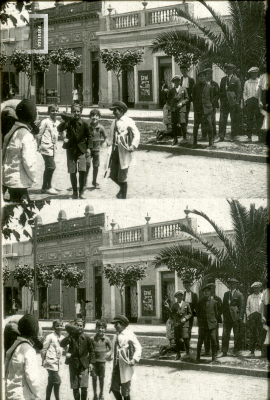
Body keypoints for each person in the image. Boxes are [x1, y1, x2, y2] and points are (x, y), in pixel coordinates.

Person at [2, 99, 37, 202]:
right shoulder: (27, 135)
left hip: (8, 180)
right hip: (20, 183)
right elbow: (29, 162)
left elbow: (3, 155)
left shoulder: (11, 131)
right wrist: (33, 178)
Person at [58, 104, 92, 199]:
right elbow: (59, 129)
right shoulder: (69, 122)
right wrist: (66, 120)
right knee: (72, 171)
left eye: (78, 111)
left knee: (82, 170)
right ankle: (74, 192)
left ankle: (81, 192)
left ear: (80, 112)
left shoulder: (84, 123)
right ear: (72, 112)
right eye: (74, 111)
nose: (76, 113)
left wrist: (89, 148)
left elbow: (89, 136)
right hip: (71, 149)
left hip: (81, 149)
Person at [108, 101, 140, 199]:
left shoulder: (128, 121)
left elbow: (137, 133)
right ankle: (122, 190)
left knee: (122, 175)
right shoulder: (114, 122)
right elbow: (111, 137)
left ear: (121, 110)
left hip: (124, 151)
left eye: (115, 110)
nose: (114, 113)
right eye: (113, 111)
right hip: (115, 151)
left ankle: (123, 196)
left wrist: (133, 145)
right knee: (112, 175)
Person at [5, 314, 41, 400]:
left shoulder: (14, 346)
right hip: (23, 395)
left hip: (11, 394)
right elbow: (32, 378)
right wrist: (38, 394)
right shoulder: (29, 350)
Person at [60, 319, 96, 400]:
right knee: (75, 387)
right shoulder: (71, 337)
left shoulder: (86, 338)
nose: (79, 327)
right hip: (73, 365)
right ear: (74, 326)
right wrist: (69, 335)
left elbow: (92, 351)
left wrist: (91, 363)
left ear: (83, 326)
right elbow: (62, 344)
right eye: (77, 326)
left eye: (81, 326)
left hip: (84, 365)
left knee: (84, 387)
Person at [110, 315, 141, 400]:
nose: (115, 326)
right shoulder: (115, 336)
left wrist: (134, 359)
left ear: (123, 324)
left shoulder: (129, 334)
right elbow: (113, 350)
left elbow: (138, 347)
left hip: (125, 365)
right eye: (114, 324)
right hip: (116, 366)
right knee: (114, 388)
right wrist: (109, 355)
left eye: (117, 324)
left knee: (125, 390)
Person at [38, 105, 60, 195]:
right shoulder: (45, 122)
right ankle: (49, 187)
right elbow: (39, 134)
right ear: (49, 112)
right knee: (51, 166)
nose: (55, 112)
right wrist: (38, 145)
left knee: (48, 167)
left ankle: (44, 187)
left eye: (56, 110)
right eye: (52, 111)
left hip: (53, 148)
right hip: (45, 147)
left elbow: (61, 133)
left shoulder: (58, 122)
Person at [86, 109, 109, 189]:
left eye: (96, 116)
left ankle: (94, 181)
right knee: (87, 165)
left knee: (96, 166)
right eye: (92, 116)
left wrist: (105, 142)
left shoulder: (101, 128)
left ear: (99, 117)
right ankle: (84, 181)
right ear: (90, 117)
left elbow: (106, 137)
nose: (94, 118)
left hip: (96, 150)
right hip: (88, 149)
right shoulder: (87, 126)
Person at [41, 320, 64, 400]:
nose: (59, 327)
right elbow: (44, 349)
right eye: (57, 326)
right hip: (50, 362)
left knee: (51, 382)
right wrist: (42, 360)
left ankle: (47, 398)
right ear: (54, 327)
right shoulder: (50, 336)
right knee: (57, 381)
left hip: (57, 363)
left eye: (61, 325)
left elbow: (66, 348)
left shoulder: (62, 337)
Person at [221, 278, 244, 356]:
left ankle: (236, 351)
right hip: (227, 318)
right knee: (225, 335)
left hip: (235, 318)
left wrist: (240, 317)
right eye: (230, 284)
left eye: (233, 284)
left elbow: (241, 307)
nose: (232, 285)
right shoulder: (226, 294)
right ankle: (224, 351)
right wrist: (224, 316)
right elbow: (224, 306)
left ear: (236, 285)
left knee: (236, 335)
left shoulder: (239, 294)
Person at [219, 63, 241, 142]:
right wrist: (221, 100)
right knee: (222, 120)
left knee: (233, 119)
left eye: (230, 69)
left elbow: (239, 92)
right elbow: (220, 91)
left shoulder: (236, 79)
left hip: (233, 102)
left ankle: (233, 136)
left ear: (233, 70)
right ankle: (221, 136)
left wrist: (237, 102)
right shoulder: (223, 79)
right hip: (224, 102)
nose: (228, 71)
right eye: (227, 69)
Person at [196, 284, 218, 363]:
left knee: (213, 341)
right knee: (200, 341)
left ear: (210, 292)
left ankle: (214, 357)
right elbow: (198, 314)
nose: (206, 293)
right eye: (205, 292)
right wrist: (200, 322)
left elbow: (216, 313)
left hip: (211, 325)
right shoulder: (200, 302)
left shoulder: (214, 302)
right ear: (203, 293)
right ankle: (197, 357)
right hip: (202, 325)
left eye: (208, 291)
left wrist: (213, 321)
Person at [192, 69, 214, 148]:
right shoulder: (195, 87)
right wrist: (196, 108)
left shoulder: (209, 87)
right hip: (198, 110)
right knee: (196, 126)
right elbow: (193, 98)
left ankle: (210, 142)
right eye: (200, 76)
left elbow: (211, 98)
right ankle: (194, 142)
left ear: (206, 77)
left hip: (207, 110)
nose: (202, 78)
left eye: (203, 76)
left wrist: (208, 107)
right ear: (198, 78)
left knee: (209, 126)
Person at [91, 320, 112, 400]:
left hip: (102, 362)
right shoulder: (92, 339)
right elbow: (89, 349)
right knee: (94, 378)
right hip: (93, 362)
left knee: (101, 378)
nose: (100, 329)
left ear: (105, 329)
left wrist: (109, 353)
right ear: (96, 328)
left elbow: (111, 349)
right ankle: (95, 394)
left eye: (102, 328)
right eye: (99, 328)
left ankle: (101, 393)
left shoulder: (106, 339)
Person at [170, 290, 192, 360]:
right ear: (176, 297)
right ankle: (178, 354)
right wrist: (175, 320)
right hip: (177, 324)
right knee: (177, 339)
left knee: (186, 338)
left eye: (181, 296)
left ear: (183, 297)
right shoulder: (174, 305)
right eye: (178, 296)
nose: (179, 297)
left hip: (185, 324)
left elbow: (190, 313)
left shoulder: (186, 304)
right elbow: (172, 315)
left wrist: (185, 318)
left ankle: (188, 353)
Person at [167, 75, 189, 145]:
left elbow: (187, 99)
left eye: (178, 81)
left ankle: (184, 138)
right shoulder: (171, 91)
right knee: (174, 124)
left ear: (180, 82)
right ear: (173, 82)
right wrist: (172, 105)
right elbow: (168, 100)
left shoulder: (184, 89)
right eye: (175, 81)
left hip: (182, 109)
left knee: (183, 124)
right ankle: (175, 139)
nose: (177, 82)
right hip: (174, 109)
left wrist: (182, 103)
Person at [243, 67, 263, 141]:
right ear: (250, 74)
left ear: (257, 73)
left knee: (259, 119)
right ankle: (249, 137)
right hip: (249, 102)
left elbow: (262, 92)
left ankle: (260, 136)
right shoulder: (247, 82)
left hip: (257, 101)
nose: (254, 74)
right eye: (252, 73)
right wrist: (246, 100)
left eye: (255, 73)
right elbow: (244, 92)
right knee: (249, 119)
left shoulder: (260, 81)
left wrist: (261, 101)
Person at [204, 283, 222, 354]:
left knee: (215, 335)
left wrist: (215, 317)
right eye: (210, 289)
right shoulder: (205, 299)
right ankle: (207, 350)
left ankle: (216, 350)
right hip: (206, 320)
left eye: (212, 289)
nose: (211, 290)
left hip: (214, 320)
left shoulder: (218, 299)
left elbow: (221, 309)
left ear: (214, 289)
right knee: (206, 335)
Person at [246, 282, 263, 356]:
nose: (256, 289)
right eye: (255, 288)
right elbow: (247, 307)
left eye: (258, 288)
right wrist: (249, 315)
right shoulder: (250, 297)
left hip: (260, 317)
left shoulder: (263, 296)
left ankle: (263, 351)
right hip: (252, 317)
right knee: (252, 334)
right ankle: (252, 351)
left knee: (261, 334)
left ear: (260, 288)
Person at [204, 68, 220, 139]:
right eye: (207, 74)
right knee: (204, 119)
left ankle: (213, 135)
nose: (208, 75)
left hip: (212, 104)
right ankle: (204, 135)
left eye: (209, 74)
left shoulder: (215, 84)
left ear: (211, 74)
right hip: (204, 104)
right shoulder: (202, 84)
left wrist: (214, 100)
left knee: (212, 119)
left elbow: (218, 94)